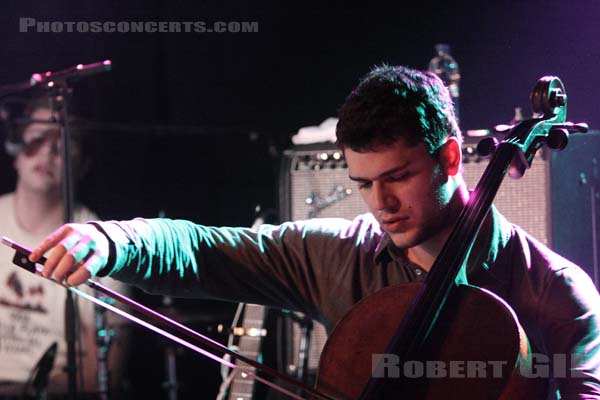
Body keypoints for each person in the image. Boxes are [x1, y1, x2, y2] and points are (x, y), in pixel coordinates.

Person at [28, 66, 600, 398]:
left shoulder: (554, 292)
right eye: (364, 183)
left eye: (398, 177)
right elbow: (201, 248)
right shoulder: (335, 253)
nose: (381, 204)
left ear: (450, 158)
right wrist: (110, 240)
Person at [0, 94, 128, 398]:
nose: (48, 151)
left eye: (63, 141)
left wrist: (26, 392)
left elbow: (103, 372)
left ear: (83, 164)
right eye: (38, 138)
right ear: (16, 151)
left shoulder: (100, 247)